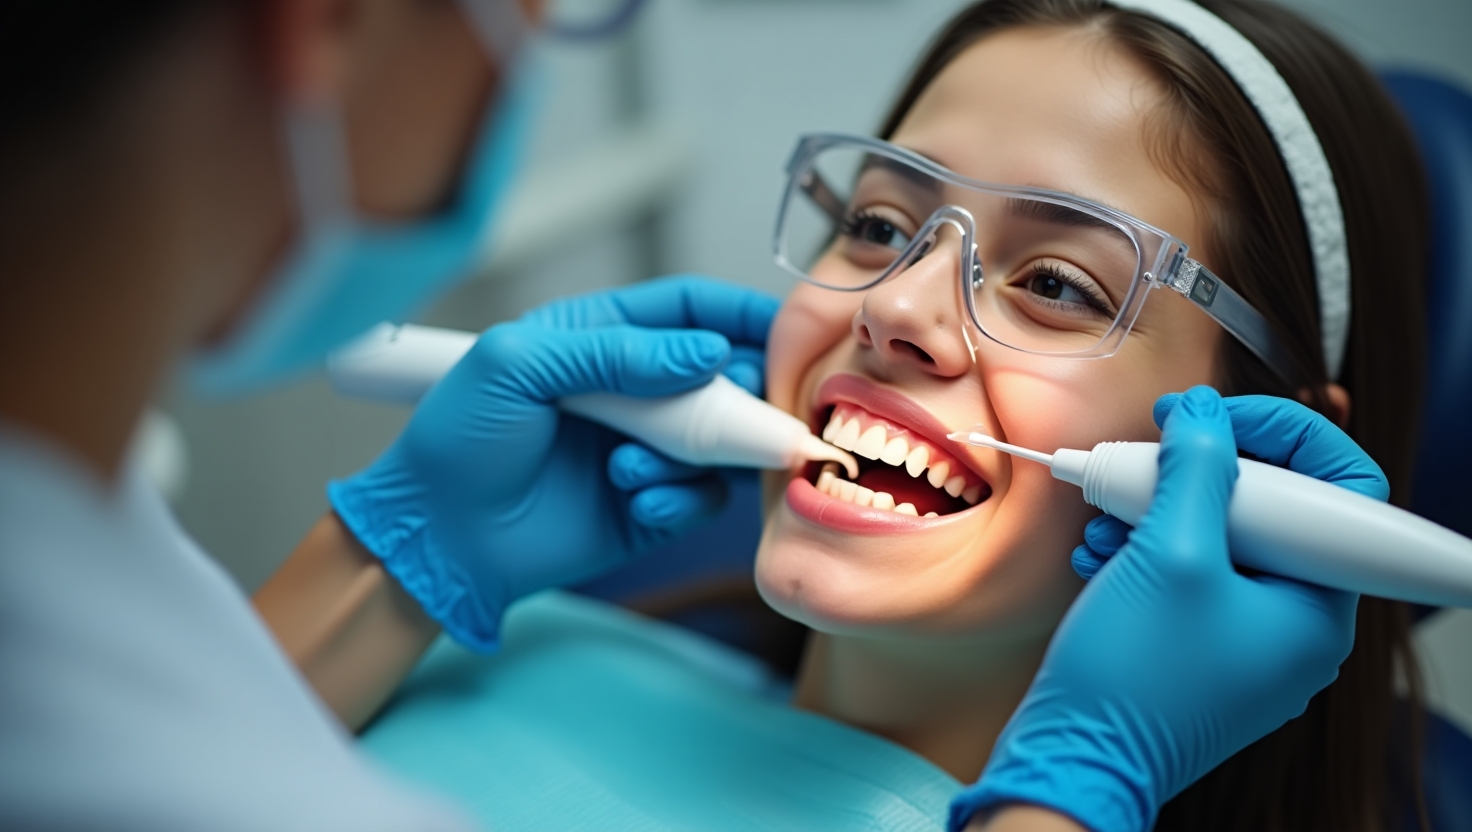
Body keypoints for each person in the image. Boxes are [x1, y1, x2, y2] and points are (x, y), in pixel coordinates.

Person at [0, 3, 1423, 832]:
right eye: (879, 222)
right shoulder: (510, 649)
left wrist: (1074, 792)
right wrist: (393, 562)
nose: (899, 309)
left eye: (1056, 282)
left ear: (1262, 449)